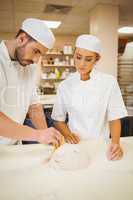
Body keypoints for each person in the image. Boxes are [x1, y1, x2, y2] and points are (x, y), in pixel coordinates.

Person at [51, 34, 128, 160]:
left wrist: (115, 143)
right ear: (74, 55)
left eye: (88, 59)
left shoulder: (108, 82)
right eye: (78, 57)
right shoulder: (65, 85)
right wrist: (68, 134)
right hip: (74, 146)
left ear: (97, 59)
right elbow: (58, 119)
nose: (81, 64)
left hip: (101, 145)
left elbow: (114, 117)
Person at [0, 18, 63, 148]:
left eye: (41, 55)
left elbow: (34, 106)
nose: (36, 60)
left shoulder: (29, 66)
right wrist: (37, 135)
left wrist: (45, 134)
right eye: (36, 51)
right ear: (22, 39)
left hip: (14, 145)